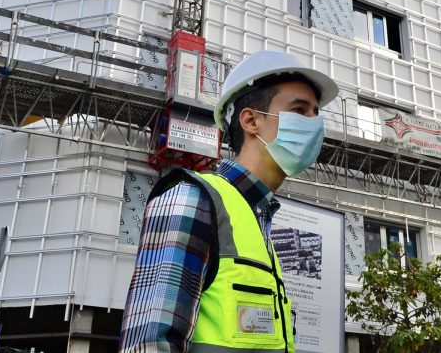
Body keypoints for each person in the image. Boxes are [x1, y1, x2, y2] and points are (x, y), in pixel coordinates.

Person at [119, 50, 338, 353]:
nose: (315, 124)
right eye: (300, 111)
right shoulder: (193, 199)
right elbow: (149, 345)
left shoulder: (258, 226)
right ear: (250, 121)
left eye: (316, 113)